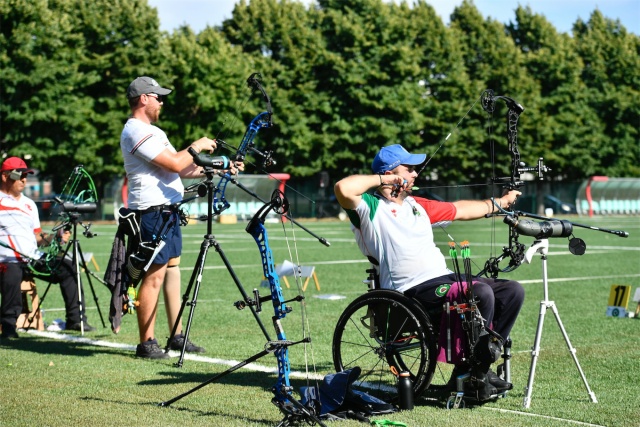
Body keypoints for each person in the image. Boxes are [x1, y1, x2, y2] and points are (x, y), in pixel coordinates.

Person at [334, 144, 525, 400]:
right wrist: (385, 179)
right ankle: (473, 375)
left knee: (512, 291)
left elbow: (462, 209)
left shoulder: (417, 205)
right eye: (409, 169)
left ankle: (477, 369)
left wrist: (500, 203)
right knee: (479, 292)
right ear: (391, 173)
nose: (415, 174)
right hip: (409, 291)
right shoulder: (368, 207)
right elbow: (343, 188)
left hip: (443, 278)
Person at [121, 76, 241, 359]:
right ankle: (146, 343)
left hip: (168, 212)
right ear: (143, 99)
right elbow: (177, 161)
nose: (162, 101)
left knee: (172, 269)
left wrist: (221, 169)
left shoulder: (154, 132)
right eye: (158, 96)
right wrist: (197, 145)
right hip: (152, 213)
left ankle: (175, 335)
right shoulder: (135, 131)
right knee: (154, 276)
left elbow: (181, 170)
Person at [0, 157, 94, 340]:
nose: (24, 180)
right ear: (4, 176)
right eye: (19, 175)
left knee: (68, 267)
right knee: (11, 272)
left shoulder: (29, 205)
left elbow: (37, 236)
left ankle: (75, 319)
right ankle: (8, 325)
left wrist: (55, 237)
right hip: (6, 260)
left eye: (26, 175)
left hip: (32, 258)